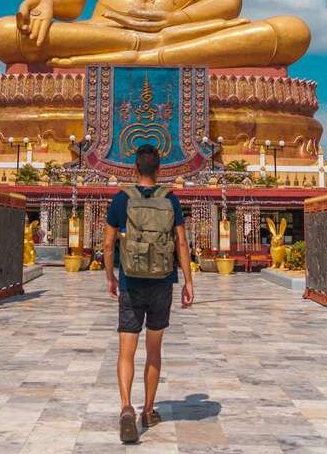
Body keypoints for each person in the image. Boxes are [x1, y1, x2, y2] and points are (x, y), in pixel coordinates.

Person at [104, 145, 194, 443]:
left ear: (134, 169)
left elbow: (107, 245)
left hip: (131, 280)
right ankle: (148, 410)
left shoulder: (120, 199)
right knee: (154, 349)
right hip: (161, 282)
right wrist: (188, 281)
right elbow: (181, 244)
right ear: (159, 170)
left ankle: (126, 406)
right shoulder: (171, 199)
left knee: (126, 348)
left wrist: (110, 277)